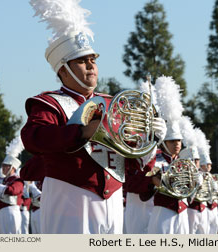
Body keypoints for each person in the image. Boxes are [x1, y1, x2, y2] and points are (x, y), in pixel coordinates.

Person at [22, 0, 165, 234]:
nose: (91, 66)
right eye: (81, 61)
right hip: (70, 198)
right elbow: (34, 138)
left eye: (93, 60)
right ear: (63, 70)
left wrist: (150, 141)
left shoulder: (112, 103)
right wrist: (80, 131)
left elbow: (132, 163)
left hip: (114, 199)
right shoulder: (48, 102)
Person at [146, 122, 189, 234]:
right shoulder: (154, 161)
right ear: (164, 143)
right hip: (164, 211)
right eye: (172, 141)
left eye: (179, 140)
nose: (177, 144)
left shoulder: (185, 163)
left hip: (183, 211)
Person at [0, 136, 24, 234]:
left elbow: (12, 190)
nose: (3, 168)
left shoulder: (17, 179)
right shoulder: (3, 180)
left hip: (10, 212)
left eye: (6, 166)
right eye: (3, 165)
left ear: (12, 167)